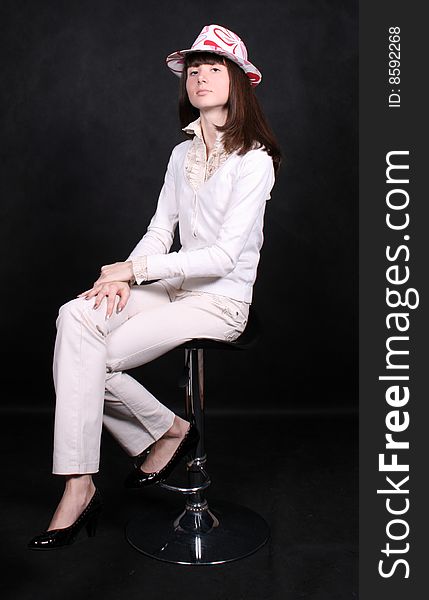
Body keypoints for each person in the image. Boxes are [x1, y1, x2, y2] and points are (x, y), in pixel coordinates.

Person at [28, 23, 282, 550]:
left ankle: (166, 432)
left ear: (238, 80)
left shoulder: (254, 160)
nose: (200, 77)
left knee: (95, 358)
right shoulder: (179, 154)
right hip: (173, 285)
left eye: (214, 67)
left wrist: (133, 272)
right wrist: (126, 276)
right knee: (76, 316)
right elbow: (159, 229)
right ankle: (81, 482)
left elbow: (222, 257)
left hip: (220, 300)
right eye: (194, 69)